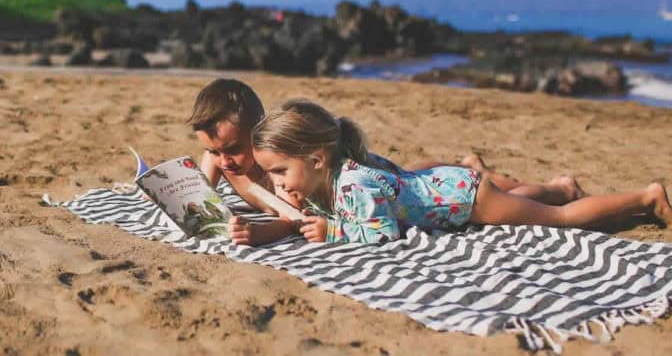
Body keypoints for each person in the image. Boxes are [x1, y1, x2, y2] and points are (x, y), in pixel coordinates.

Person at [187, 79, 584, 245]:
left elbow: (294, 219)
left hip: (383, 183)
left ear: (258, 134)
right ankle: (532, 184)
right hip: (402, 188)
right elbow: (203, 191)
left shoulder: (284, 170)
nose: (223, 161)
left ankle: (553, 189)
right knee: (475, 195)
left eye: (232, 150)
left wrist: (258, 234)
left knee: (475, 195)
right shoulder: (228, 159)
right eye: (214, 151)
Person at [247, 99, 672, 245]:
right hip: (453, 187)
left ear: (317, 160)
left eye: (281, 171)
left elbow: (381, 234)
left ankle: (646, 196)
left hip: (466, 201)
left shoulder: (353, 182)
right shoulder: (336, 173)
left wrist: (332, 232)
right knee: (527, 202)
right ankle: (561, 186)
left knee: (557, 221)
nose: (279, 183)